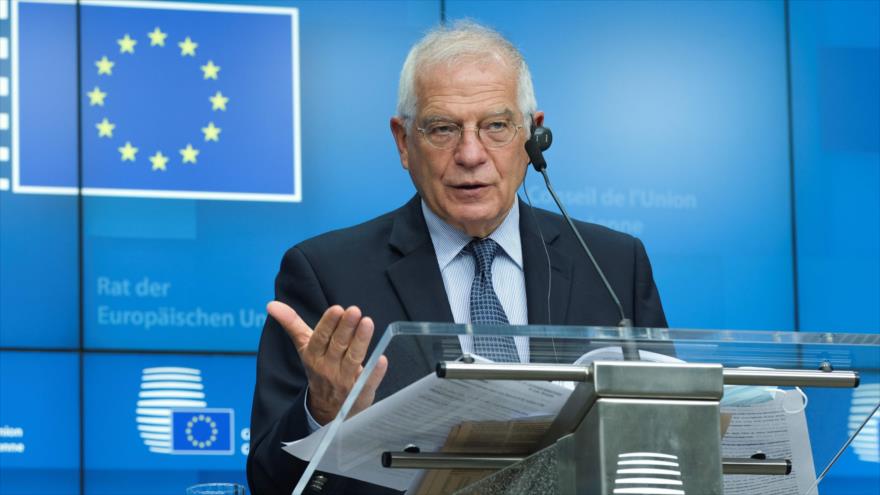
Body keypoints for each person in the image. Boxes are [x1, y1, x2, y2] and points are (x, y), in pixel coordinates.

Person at [247, 20, 667, 494]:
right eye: (443, 129)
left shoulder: (613, 266)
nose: (471, 154)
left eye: (496, 126)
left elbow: (666, 442)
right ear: (403, 142)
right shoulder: (326, 274)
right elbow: (269, 481)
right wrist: (323, 413)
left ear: (532, 137)